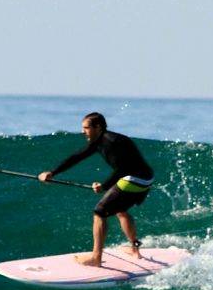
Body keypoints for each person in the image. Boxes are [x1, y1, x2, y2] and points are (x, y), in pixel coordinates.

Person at [38, 112, 154, 265]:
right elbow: (77, 156)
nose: (83, 131)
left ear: (97, 127)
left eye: (86, 128)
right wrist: (53, 173)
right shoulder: (99, 141)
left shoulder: (111, 142)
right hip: (146, 179)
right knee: (120, 210)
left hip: (133, 179)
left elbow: (123, 169)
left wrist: (104, 186)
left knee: (99, 212)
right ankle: (135, 249)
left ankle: (96, 257)